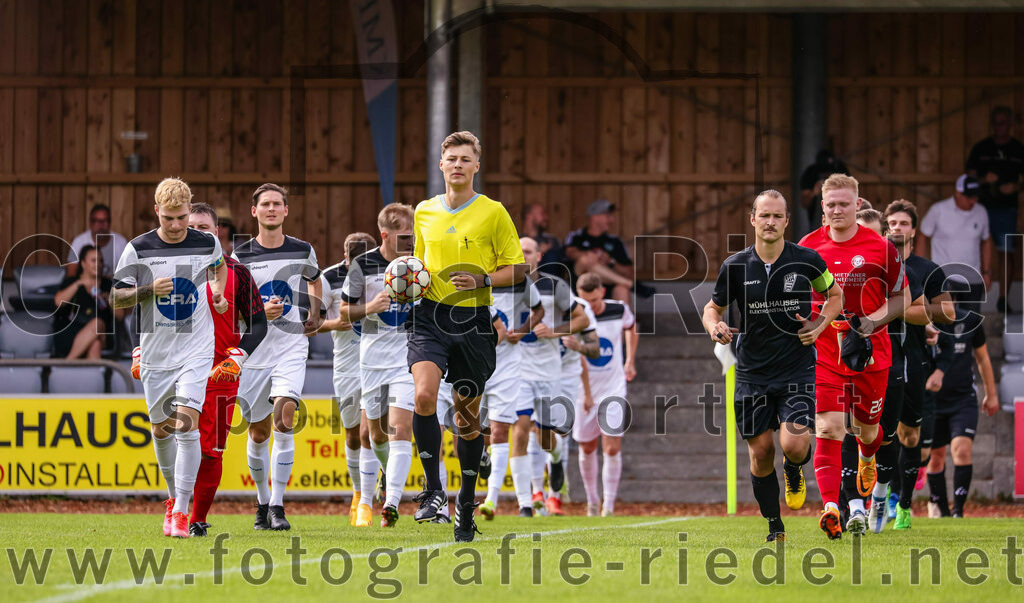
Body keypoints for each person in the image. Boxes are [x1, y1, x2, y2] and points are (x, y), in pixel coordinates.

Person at [704, 190, 843, 542]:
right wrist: (715, 327)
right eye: (764, 215)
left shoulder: (807, 260)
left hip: (796, 368)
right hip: (752, 372)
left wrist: (819, 325)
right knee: (762, 452)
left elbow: (835, 296)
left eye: (777, 216)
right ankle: (774, 525)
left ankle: (794, 468)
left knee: (794, 445)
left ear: (786, 221)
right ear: (752, 219)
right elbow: (712, 308)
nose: (770, 222)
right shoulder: (736, 266)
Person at [406, 131, 525, 542]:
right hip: (429, 316)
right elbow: (419, 265)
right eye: (451, 158)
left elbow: (519, 269)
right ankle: (433, 490)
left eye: (464, 159)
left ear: (476, 166)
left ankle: (467, 504)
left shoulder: (493, 212)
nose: (457, 165)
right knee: (423, 396)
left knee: (466, 420)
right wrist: (406, 283)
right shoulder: (424, 211)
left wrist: (483, 278)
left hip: (473, 321)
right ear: (441, 165)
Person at [111, 178, 228, 538]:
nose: (176, 226)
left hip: (196, 348)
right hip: (157, 353)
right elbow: (116, 297)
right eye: (168, 219)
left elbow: (219, 267)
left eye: (181, 218)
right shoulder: (138, 248)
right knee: (161, 430)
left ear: (189, 210)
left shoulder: (207, 242)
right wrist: (148, 289)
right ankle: (173, 497)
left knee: (187, 423)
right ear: (156, 211)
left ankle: (181, 511)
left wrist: (218, 291)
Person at [798, 174, 910, 539]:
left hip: (871, 353)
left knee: (868, 431)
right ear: (822, 207)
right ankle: (831, 507)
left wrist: (871, 322)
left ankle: (866, 457)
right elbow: (796, 296)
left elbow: (903, 298)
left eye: (844, 204)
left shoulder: (882, 247)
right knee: (828, 428)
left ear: (857, 204)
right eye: (830, 204)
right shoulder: (808, 247)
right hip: (826, 352)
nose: (837, 210)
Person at [232, 183, 322, 532]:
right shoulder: (240, 256)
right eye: (265, 204)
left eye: (277, 204)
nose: (271, 209)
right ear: (254, 211)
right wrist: (257, 312)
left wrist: (314, 311)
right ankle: (262, 501)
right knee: (258, 433)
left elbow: (314, 279)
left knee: (285, 418)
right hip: (254, 352)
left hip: (290, 346)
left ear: (286, 210)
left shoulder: (303, 250)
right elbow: (232, 306)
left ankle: (279, 506)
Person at [179, 203, 267, 537]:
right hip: (180, 371)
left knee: (210, 452)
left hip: (220, 375)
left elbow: (259, 324)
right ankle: (178, 509)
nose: (197, 232)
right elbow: (143, 316)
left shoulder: (237, 272)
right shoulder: (172, 268)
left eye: (204, 228)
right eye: (192, 227)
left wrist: (238, 356)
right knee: (178, 443)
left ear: (216, 233)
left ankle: (197, 519)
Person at [339, 204, 419, 528]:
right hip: (371, 361)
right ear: (385, 235)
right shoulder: (363, 264)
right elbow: (344, 311)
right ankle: (383, 482)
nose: (411, 243)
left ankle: (391, 503)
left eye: (413, 236)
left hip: (406, 359)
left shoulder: (417, 264)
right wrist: (370, 307)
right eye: (404, 237)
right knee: (374, 436)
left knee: (400, 429)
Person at [517, 236, 591, 516]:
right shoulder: (503, 285)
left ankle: (556, 459)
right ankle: (528, 501)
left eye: (528, 251)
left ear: (539, 256)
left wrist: (554, 332)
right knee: (522, 428)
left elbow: (582, 320)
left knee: (547, 434)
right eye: (519, 251)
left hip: (550, 370)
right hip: (518, 370)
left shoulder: (554, 286)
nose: (523, 256)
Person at [478, 264, 545, 520]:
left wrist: (524, 329)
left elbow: (539, 310)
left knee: (500, 430)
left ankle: (491, 500)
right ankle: (481, 456)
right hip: (475, 363)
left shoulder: (521, 281)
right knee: (471, 430)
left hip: (507, 366)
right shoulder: (475, 275)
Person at [319, 232, 376, 526]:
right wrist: (334, 323)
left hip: (378, 363)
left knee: (372, 431)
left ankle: (368, 501)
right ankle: (358, 492)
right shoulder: (328, 278)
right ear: (345, 257)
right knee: (353, 434)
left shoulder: (384, 273)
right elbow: (310, 323)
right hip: (346, 365)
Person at [925, 294, 999, 518]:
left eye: (947, 301)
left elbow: (983, 358)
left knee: (962, 450)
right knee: (935, 457)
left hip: (963, 399)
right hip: (933, 401)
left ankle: (958, 510)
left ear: (955, 300)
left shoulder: (970, 321)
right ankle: (942, 512)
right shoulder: (925, 323)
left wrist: (991, 395)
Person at [573, 271, 638, 517]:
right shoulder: (574, 314)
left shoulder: (618, 309)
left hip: (613, 387)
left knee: (611, 447)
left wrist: (630, 360)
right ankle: (592, 500)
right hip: (583, 389)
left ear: (602, 292)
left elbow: (631, 327)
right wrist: (586, 393)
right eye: (585, 300)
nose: (590, 305)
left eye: (594, 300)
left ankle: (608, 506)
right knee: (587, 446)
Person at [966, 106, 1024, 312]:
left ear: (1010, 124)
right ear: (992, 124)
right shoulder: (981, 148)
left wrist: (1016, 187)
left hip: (1007, 209)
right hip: (980, 208)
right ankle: (972, 296)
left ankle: (1003, 299)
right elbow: (968, 179)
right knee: (974, 249)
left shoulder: (1018, 149)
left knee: (1006, 251)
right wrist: (984, 180)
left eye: (1004, 122)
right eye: (996, 122)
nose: (1000, 126)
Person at [918, 175, 991, 312]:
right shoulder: (938, 210)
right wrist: (920, 271)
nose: (973, 200)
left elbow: (986, 241)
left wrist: (986, 272)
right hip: (944, 276)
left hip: (973, 278)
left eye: (975, 196)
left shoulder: (981, 211)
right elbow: (923, 236)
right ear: (958, 193)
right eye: (969, 197)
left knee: (971, 320)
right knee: (943, 319)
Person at [53, 245, 121, 359]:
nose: (98, 264)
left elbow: (120, 316)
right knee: (95, 344)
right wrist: (79, 284)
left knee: (97, 324)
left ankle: (67, 363)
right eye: (93, 260)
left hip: (102, 333)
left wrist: (110, 299)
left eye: (100, 261)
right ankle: (75, 366)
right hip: (71, 333)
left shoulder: (108, 285)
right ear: (83, 263)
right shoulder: (72, 281)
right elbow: (58, 302)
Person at [564, 200, 635, 303]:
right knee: (586, 259)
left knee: (622, 290)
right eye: (608, 216)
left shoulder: (616, 242)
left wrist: (610, 261)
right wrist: (589, 254)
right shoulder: (576, 237)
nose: (612, 220)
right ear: (595, 217)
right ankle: (626, 282)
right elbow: (569, 253)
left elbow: (630, 272)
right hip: (581, 287)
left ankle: (626, 313)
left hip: (608, 289)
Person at [66, 204, 129, 278]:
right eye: (97, 221)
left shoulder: (121, 242)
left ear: (109, 223)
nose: (101, 225)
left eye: (105, 221)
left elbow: (129, 273)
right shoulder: (79, 241)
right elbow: (71, 274)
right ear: (90, 223)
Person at [800, 149, 850, 231]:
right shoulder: (810, 173)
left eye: (829, 173)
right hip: (817, 222)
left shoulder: (841, 170)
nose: (827, 175)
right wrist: (814, 193)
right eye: (824, 173)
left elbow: (851, 196)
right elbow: (804, 203)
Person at [521, 203, 567, 279]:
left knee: (551, 256)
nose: (546, 217)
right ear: (529, 216)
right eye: (542, 214)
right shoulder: (516, 240)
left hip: (549, 281)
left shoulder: (552, 240)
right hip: (520, 281)